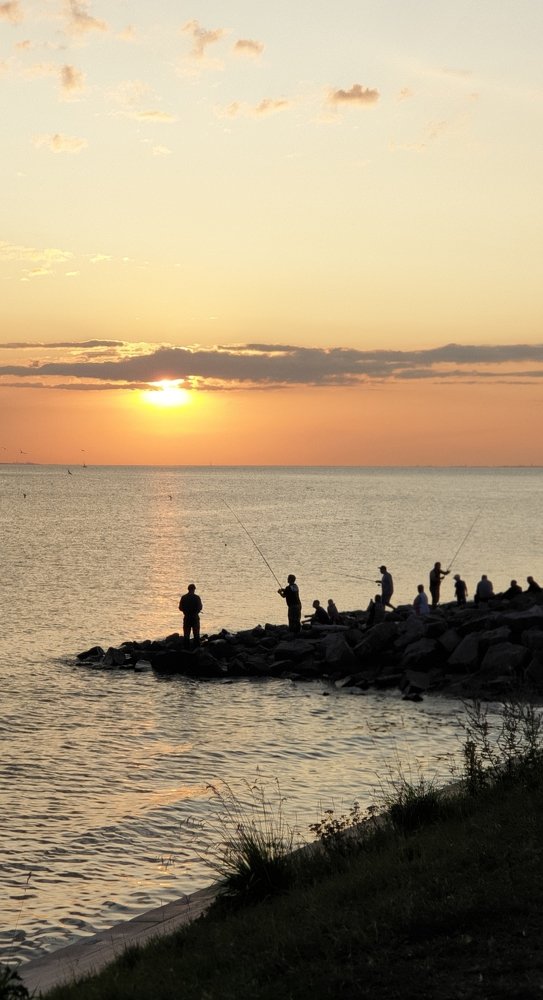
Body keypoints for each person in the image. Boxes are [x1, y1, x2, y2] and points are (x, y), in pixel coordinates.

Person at [178, 583, 203, 648]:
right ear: (194, 589)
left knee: (186, 634)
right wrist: (196, 611)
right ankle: (197, 649)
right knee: (196, 634)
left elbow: (180, 608)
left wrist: (185, 611)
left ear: (188, 589)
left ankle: (186, 648)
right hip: (195, 618)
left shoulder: (184, 597)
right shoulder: (197, 597)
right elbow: (200, 607)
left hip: (187, 618)